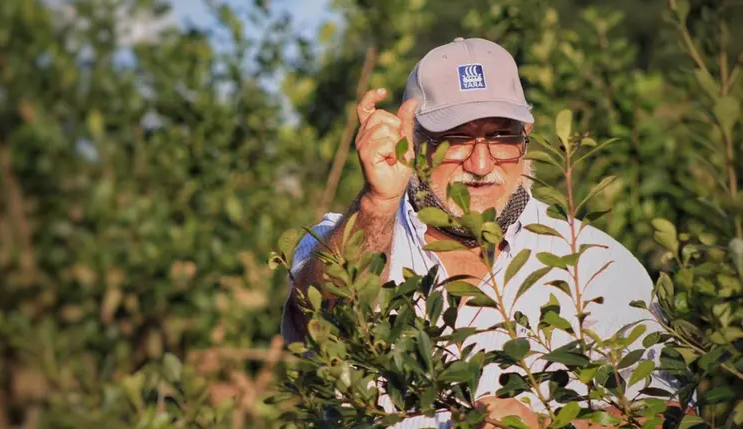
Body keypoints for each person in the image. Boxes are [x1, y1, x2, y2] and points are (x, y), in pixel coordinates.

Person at [281, 37, 676, 429]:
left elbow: (670, 413)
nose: (482, 163)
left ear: (527, 133)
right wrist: (377, 202)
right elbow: (320, 318)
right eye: (455, 138)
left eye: (502, 136)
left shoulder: (597, 260)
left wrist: (547, 425)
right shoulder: (344, 235)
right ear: (412, 142)